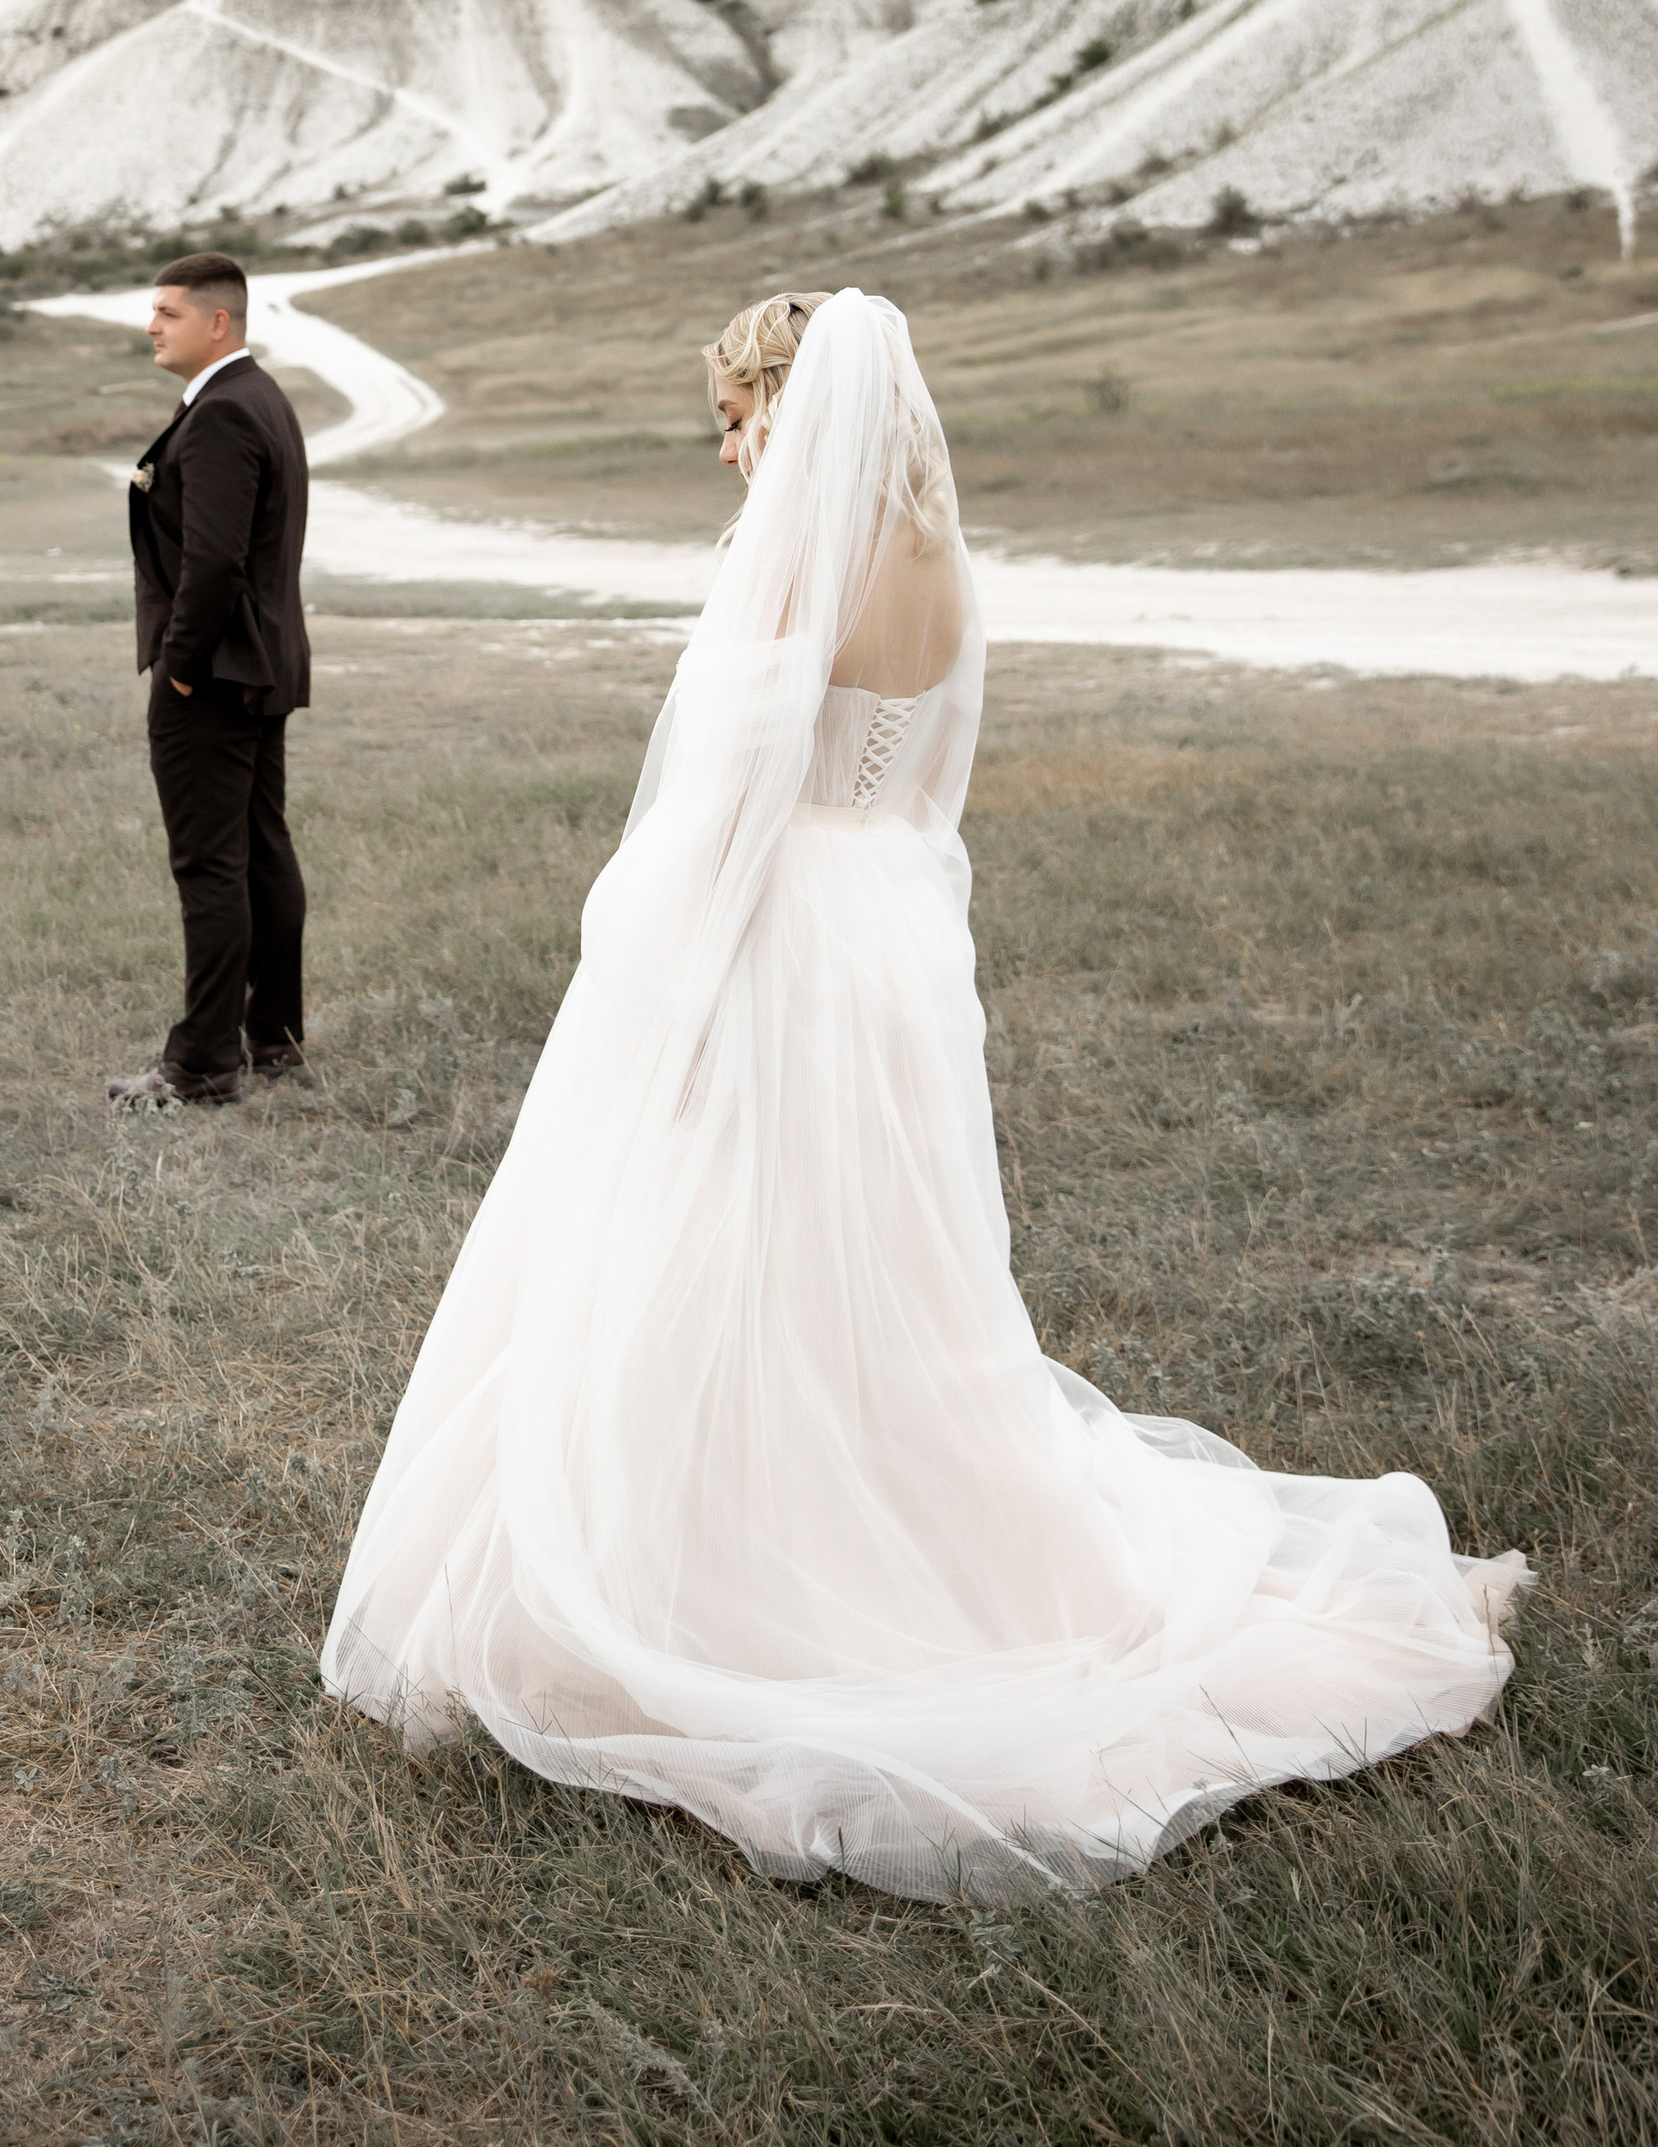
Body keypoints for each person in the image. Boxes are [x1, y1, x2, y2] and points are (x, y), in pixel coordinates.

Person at [321, 285, 1526, 1899]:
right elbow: (930, 787)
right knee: (884, 1267)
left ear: (788, 408)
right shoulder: (945, 566)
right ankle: (906, 1531)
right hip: (891, 936)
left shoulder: (794, 567)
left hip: (779, 938)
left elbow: (724, 808)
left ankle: (737, 1587)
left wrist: (648, 981)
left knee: (727, 1252)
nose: (733, 454)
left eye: (737, 421)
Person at [108, 249, 312, 1110]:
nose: (151, 326)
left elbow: (215, 561)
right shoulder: (257, 395)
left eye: (168, 312)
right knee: (260, 850)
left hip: (218, 673)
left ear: (217, 322)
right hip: (259, 663)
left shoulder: (225, 411)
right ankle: (274, 1038)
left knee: (211, 866)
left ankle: (199, 1065)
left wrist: (181, 669)